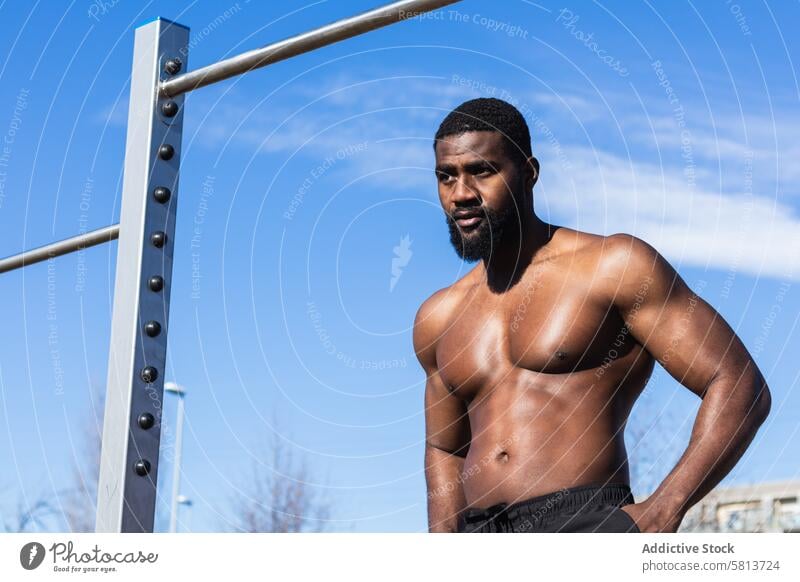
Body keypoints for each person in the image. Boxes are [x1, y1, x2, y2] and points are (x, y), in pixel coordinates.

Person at [413, 98, 771, 533]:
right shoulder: (439, 317)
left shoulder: (612, 267)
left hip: (586, 523)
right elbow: (445, 450)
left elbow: (738, 384)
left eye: (482, 171)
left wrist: (662, 511)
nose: (461, 194)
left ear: (528, 173)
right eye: (446, 177)